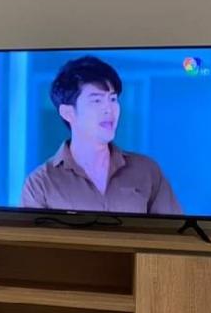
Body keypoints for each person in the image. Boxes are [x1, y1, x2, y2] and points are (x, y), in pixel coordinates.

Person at [21, 55, 181, 215]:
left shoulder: (147, 171)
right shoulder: (40, 184)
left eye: (113, 99)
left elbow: (173, 228)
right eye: (96, 100)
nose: (109, 109)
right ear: (68, 113)